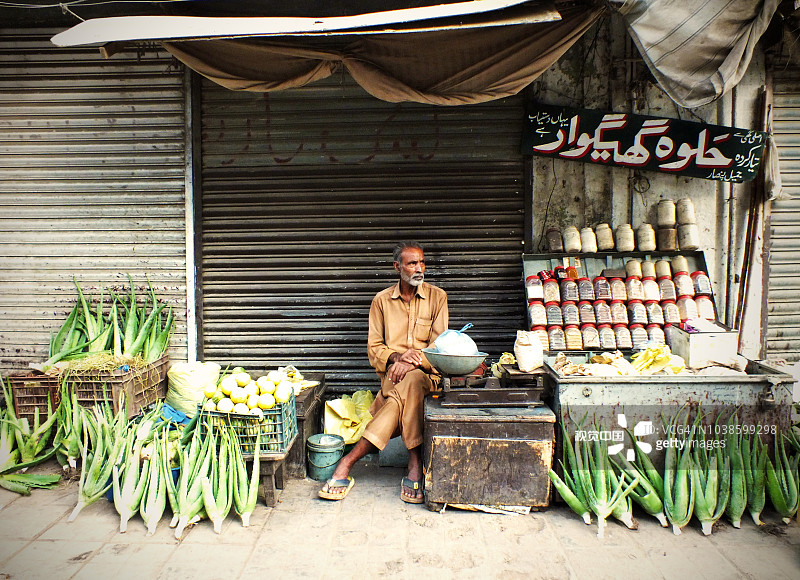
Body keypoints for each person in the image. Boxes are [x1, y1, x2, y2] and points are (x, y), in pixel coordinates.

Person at [318, 241, 449, 503]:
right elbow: (374, 348)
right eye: (412, 263)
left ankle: (348, 461)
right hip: (393, 378)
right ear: (397, 267)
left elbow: (440, 346)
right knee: (404, 391)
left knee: (411, 381)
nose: (419, 268)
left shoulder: (438, 297)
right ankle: (414, 465)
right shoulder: (381, 302)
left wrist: (412, 361)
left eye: (422, 262)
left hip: (426, 376)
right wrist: (398, 357)